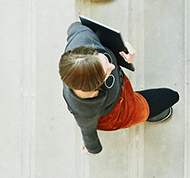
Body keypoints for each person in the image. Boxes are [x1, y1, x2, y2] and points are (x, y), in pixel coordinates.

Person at [60, 21, 180, 154]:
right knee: (170, 96)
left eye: (105, 58)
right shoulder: (85, 110)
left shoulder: (83, 39)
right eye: (107, 72)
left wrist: (122, 47)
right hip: (116, 111)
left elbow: (75, 27)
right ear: (94, 89)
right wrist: (92, 149)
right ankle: (147, 114)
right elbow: (88, 131)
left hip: (118, 87)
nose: (112, 67)